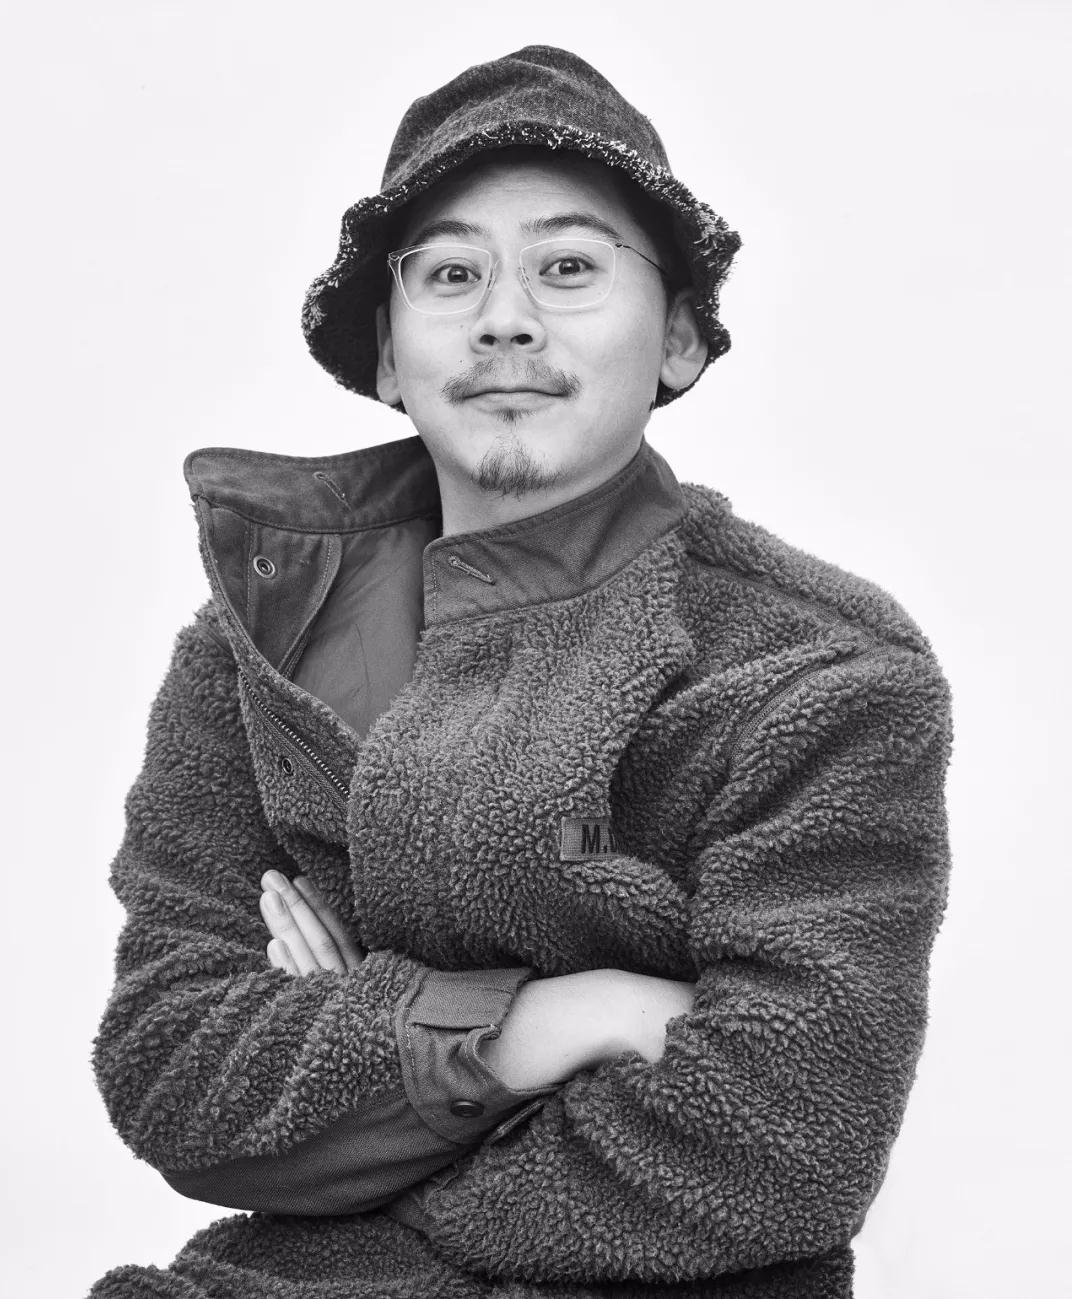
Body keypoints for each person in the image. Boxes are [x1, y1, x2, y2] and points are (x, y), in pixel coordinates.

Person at [88, 45, 954, 1299]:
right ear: (388, 356)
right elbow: (173, 1075)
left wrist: (373, 1118)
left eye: (569, 267)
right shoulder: (253, 650)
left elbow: (785, 1142)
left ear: (680, 337)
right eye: (451, 274)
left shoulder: (816, 668)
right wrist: (559, 1019)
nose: (506, 318)